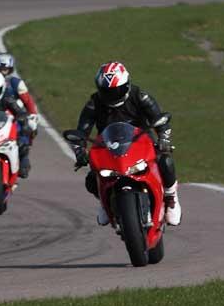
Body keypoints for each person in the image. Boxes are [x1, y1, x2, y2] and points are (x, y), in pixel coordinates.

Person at [70, 62, 182, 226]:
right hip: (110, 148)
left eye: (117, 90)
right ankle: (104, 201)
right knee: (92, 179)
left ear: (127, 85)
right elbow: (82, 131)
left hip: (142, 144)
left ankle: (171, 197)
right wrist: (80, 152)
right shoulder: (94, 104)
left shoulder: (140, 96)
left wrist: (164, 139)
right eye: (108, 92)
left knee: (165, 161)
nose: (113, 95)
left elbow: (161, 121)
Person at [0, 53, 39, 137]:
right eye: (0, 69)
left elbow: (27, 100)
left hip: (14, 115)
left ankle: (23, 143)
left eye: (5, 69)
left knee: (27, 129)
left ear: (10, 69)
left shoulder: (15, 82)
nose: (2, 72)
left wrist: (33, 114)